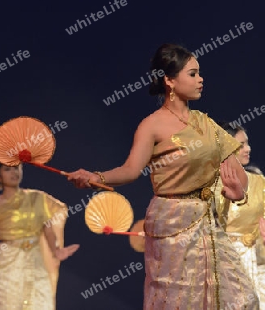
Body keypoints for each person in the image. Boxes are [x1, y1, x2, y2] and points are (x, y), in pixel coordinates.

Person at [67, 43, 261, 309]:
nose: (200, 79)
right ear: (169, 80)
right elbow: (130, 170)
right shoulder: (152, 125)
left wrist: (238, 193)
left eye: (200, 73)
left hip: (206, 222)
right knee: (178, 298)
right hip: (171, 222)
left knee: (239, 298)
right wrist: (95, 177)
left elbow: (239, 176)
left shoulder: (207, 124)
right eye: (192, 74)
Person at [0, 157, 79, 310]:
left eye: (17, 167)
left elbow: (48, 229)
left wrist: (56, 250)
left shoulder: (37, 197)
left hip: (36, 262)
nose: (14, 172)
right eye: (7, 169)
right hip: (8, 264)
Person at [215, 122, 265, 308]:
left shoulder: (259, 181)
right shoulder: (212, 185)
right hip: (229, 264)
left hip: (260, 262)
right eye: (241, 145)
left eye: (247, 143)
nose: (248, 149)